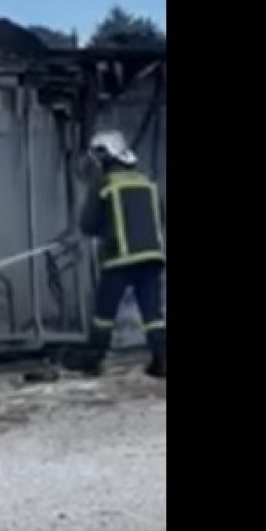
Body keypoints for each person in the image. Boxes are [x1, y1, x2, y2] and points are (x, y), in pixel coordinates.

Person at [78, 130, 166, 378]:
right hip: (152, 257)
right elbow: (160, 218)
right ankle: (162, 359)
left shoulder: (105, 186)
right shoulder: (148, 183)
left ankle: (95, 358)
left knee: (104, 312)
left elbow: (88, 225)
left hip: (119, 259)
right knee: (152, 314)